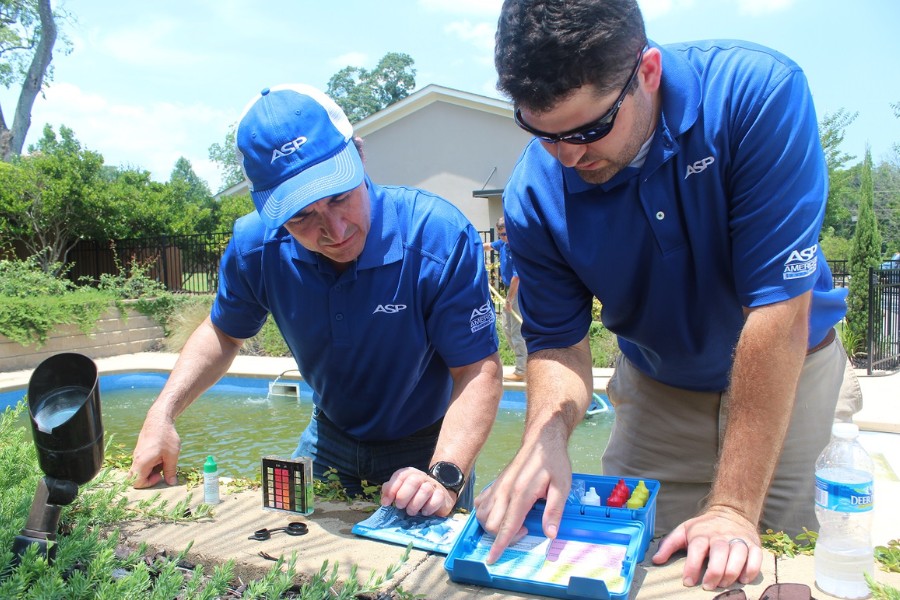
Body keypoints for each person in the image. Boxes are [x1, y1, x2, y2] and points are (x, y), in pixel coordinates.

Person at [475, 0, 862, 592]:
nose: (568, 157)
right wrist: (545, 438)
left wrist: (733, 508)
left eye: (588, 130)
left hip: (792, 380)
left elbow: (778, 310)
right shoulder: (535, 190)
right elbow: (558, 342)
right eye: (541, 132)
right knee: (630, 572)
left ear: (646, 72)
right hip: (658, 391)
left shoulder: (755, 95)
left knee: (784, 573)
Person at [130, 83, 503, 517]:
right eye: (301, 216)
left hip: (430, 443)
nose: (334, 230)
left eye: (340, 196)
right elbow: (223, 332)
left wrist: (444, 475)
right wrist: (163, 412)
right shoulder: (255, 246)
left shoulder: (437, 235)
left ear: (359, 156)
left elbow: (477, 368)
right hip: (328, 439)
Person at [483, 217, 527, 381]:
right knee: (507, 327)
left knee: (516, 330)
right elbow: (487, 246)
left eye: (505, 234)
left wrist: (509, 300)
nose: (502, 237)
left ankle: (522, 370)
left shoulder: (517, 248)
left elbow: (517, 278)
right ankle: (525, 363)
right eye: (500, 234)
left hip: (519, 290)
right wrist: (470, 248)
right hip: (512, 289)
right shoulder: (503, 244)